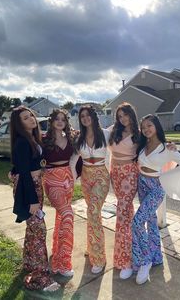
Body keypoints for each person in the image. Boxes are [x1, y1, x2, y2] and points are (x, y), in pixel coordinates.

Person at [132, 114, 180, 285]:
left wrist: (165, 177)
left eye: (149, 125)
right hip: (142, 184)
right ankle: (156, 256)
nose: (146, 129)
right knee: (150, 222)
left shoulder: (167, 148)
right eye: (143, 127)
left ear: (157, 126)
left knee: (137, 222)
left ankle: (145, 261)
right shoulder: (143, 145)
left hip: (156, 188)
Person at [10, 106, 59, 291]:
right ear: (19, 123)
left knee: (32, 230)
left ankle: (29, 263)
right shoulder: (22, 142)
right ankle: (40, 277)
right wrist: (32, 201)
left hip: (35, 189)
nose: (31, 118)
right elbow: (23, 171)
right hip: (27, 191)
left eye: (31, 114)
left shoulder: (33, 138)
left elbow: (28, 164)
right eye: (25, 117)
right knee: (39, 230)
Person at [71, 105, 110, 274]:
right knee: (93, 214)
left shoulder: (106, 133)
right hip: (86, 176)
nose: (85, 118)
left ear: (93, 116)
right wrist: (72, 180)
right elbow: (73, 160)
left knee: (93, 212)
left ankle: (99, 258)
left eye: (88, 115)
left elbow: (128, 138)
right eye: (82, 116)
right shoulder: (79, 137)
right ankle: (91, 246)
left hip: (101, 175)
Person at [42, 109, 75, 277]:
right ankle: (63, 263)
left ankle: (56, 252)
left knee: (61, 217)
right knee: (68, 215)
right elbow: (31, 156)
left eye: (63, 119)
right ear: (52, 121)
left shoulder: (71, 138)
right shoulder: (44, 139)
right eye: (57, 119)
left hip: (68, 180)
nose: (60, 121)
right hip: (52, 179)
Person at [108, 102, 140, 280]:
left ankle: (125, 261)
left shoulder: (138, 134)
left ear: (131, 114)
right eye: (119, 116)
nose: (122, 119)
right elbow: (95, 133)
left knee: (122, 214)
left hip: (129, 173)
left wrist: (172, 147)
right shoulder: (113, 130)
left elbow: (155, 143)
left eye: (125, 115)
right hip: (115, 173)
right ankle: (133, 251)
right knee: (126, 214)